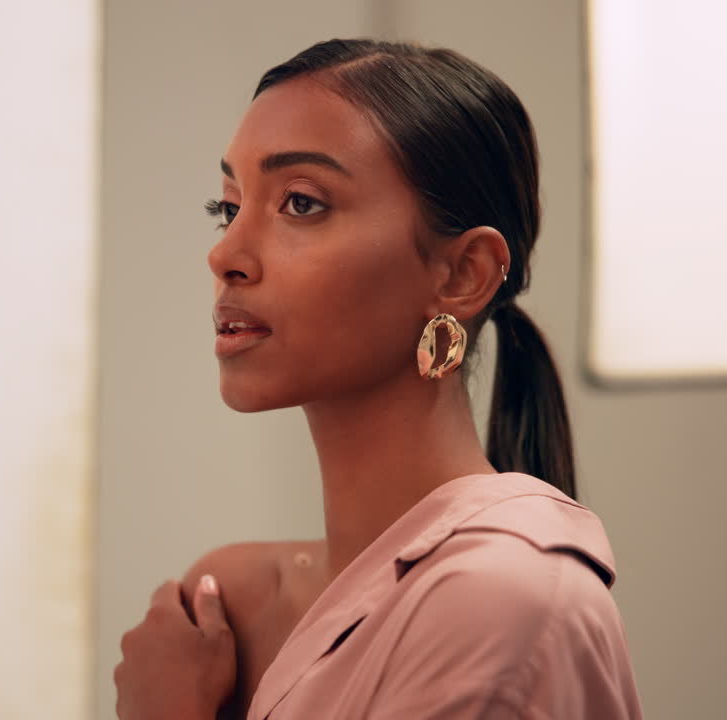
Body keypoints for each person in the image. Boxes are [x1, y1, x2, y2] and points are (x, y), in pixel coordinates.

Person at [113, 38, 642, 719]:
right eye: (229, 206)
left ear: (462, 274)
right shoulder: (225, 606)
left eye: (301, 203)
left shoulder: (503, 599)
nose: (225, 253)